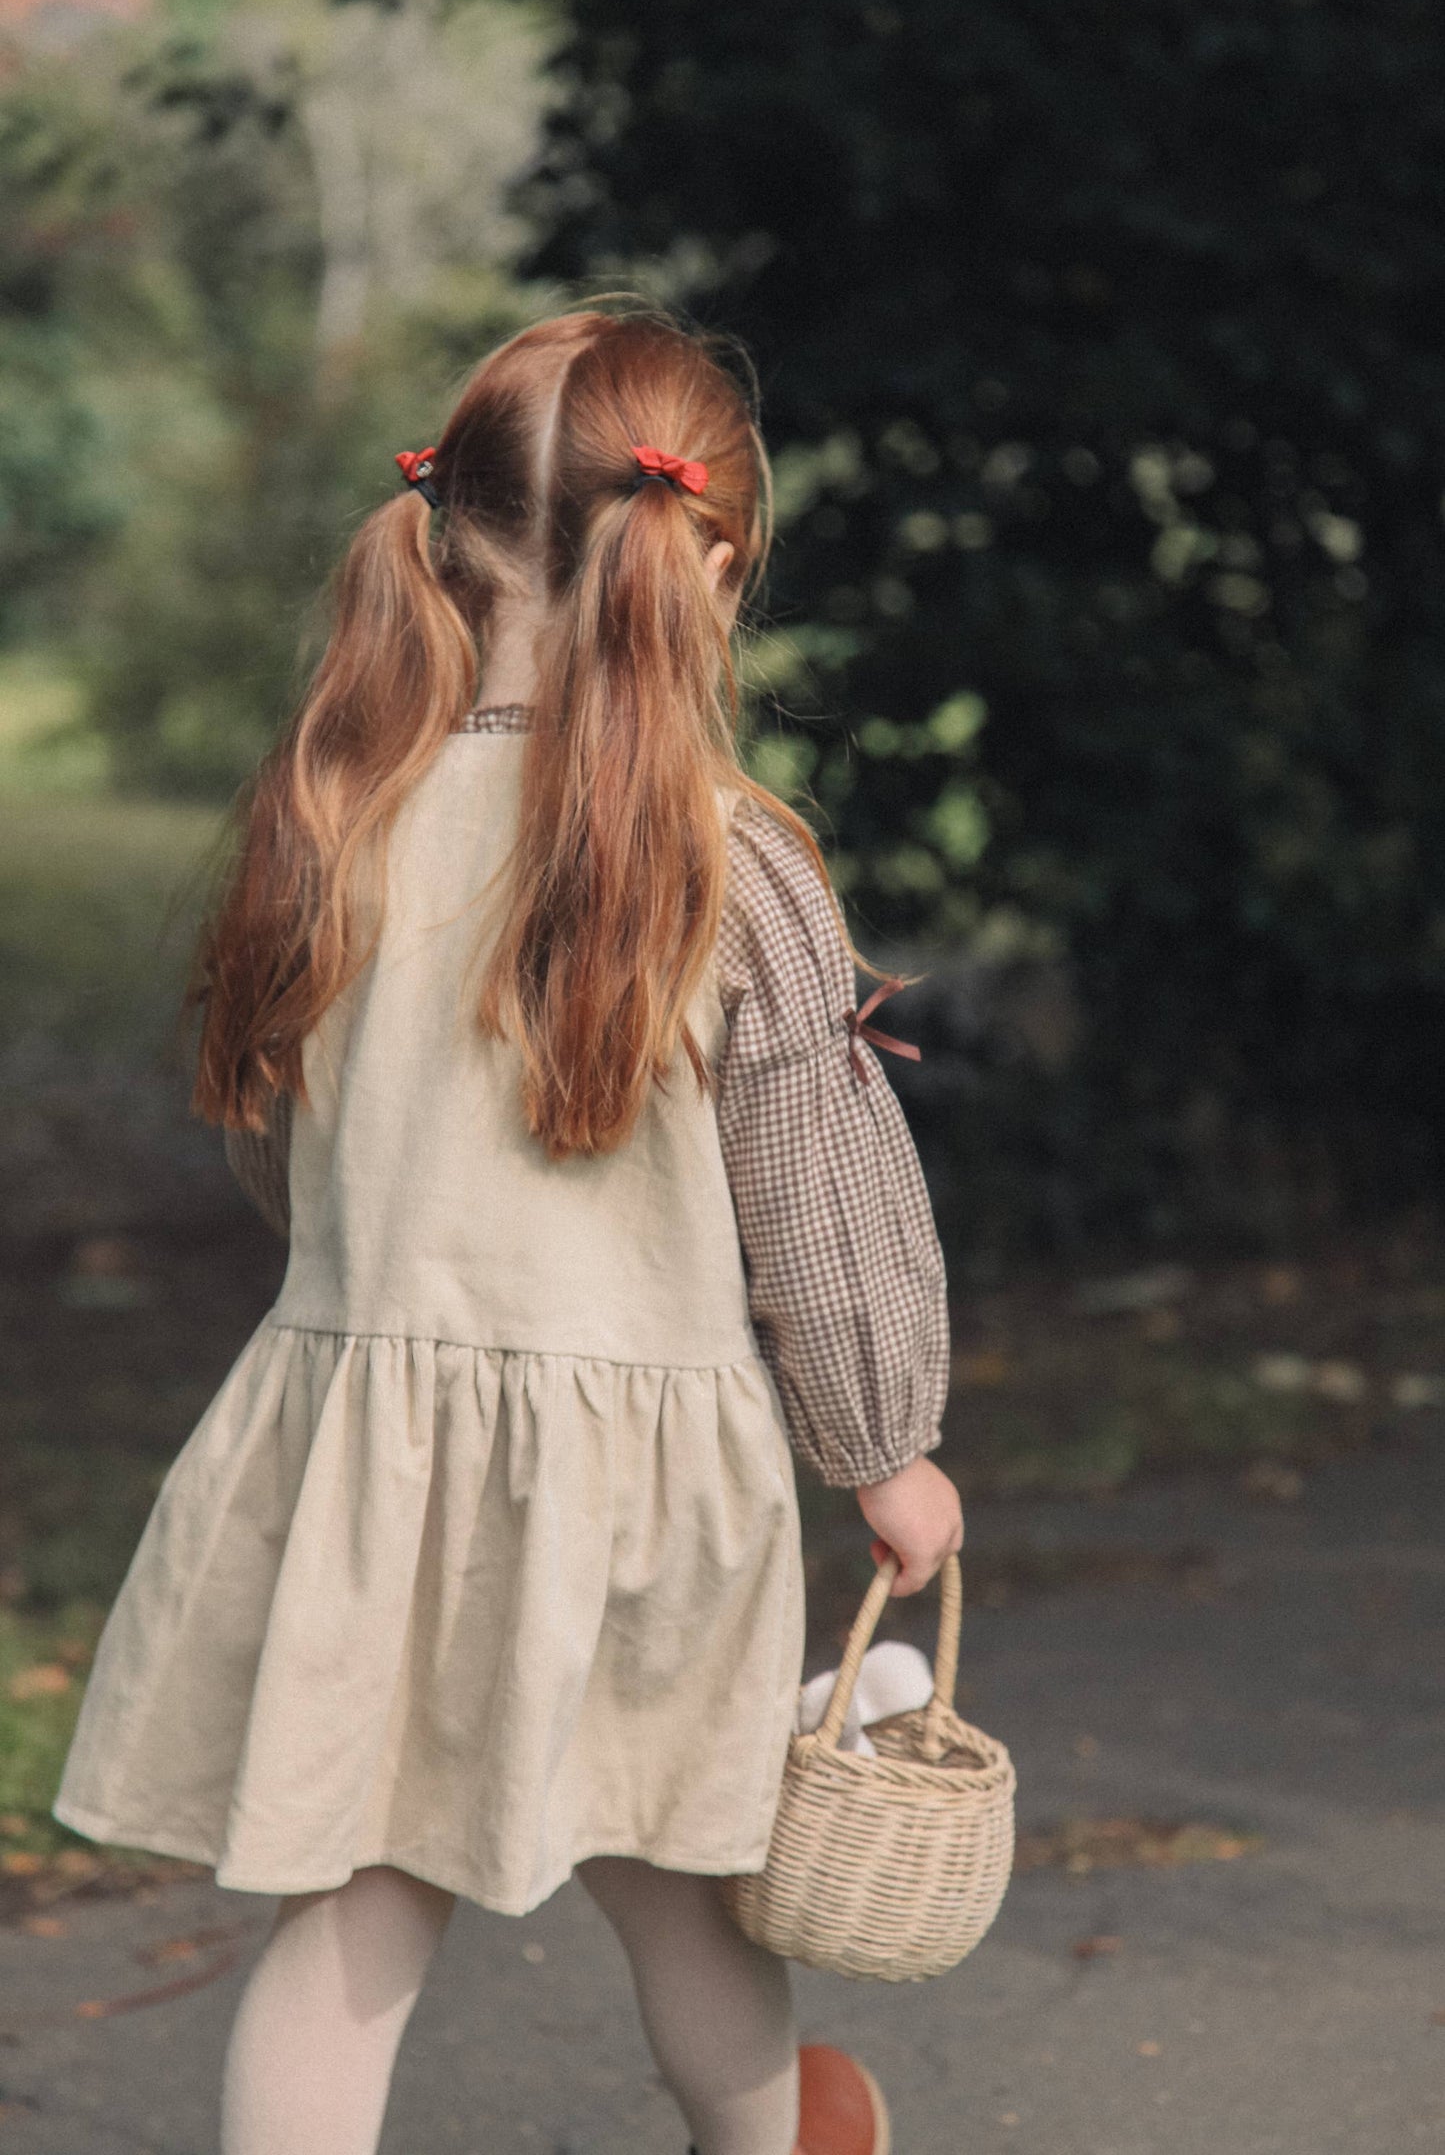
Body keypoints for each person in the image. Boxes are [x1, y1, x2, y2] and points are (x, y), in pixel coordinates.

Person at [49, 305, 962, 2155]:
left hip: (369, 1467)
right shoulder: (733, 855)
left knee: (361, 1902)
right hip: (637, 1490)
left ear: (448, 527)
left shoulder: (341, 812)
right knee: (679, 1870)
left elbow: (297, 1154)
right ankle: (772, 2141)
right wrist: (886, 1444)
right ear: (706, 554)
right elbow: (825, 1192)